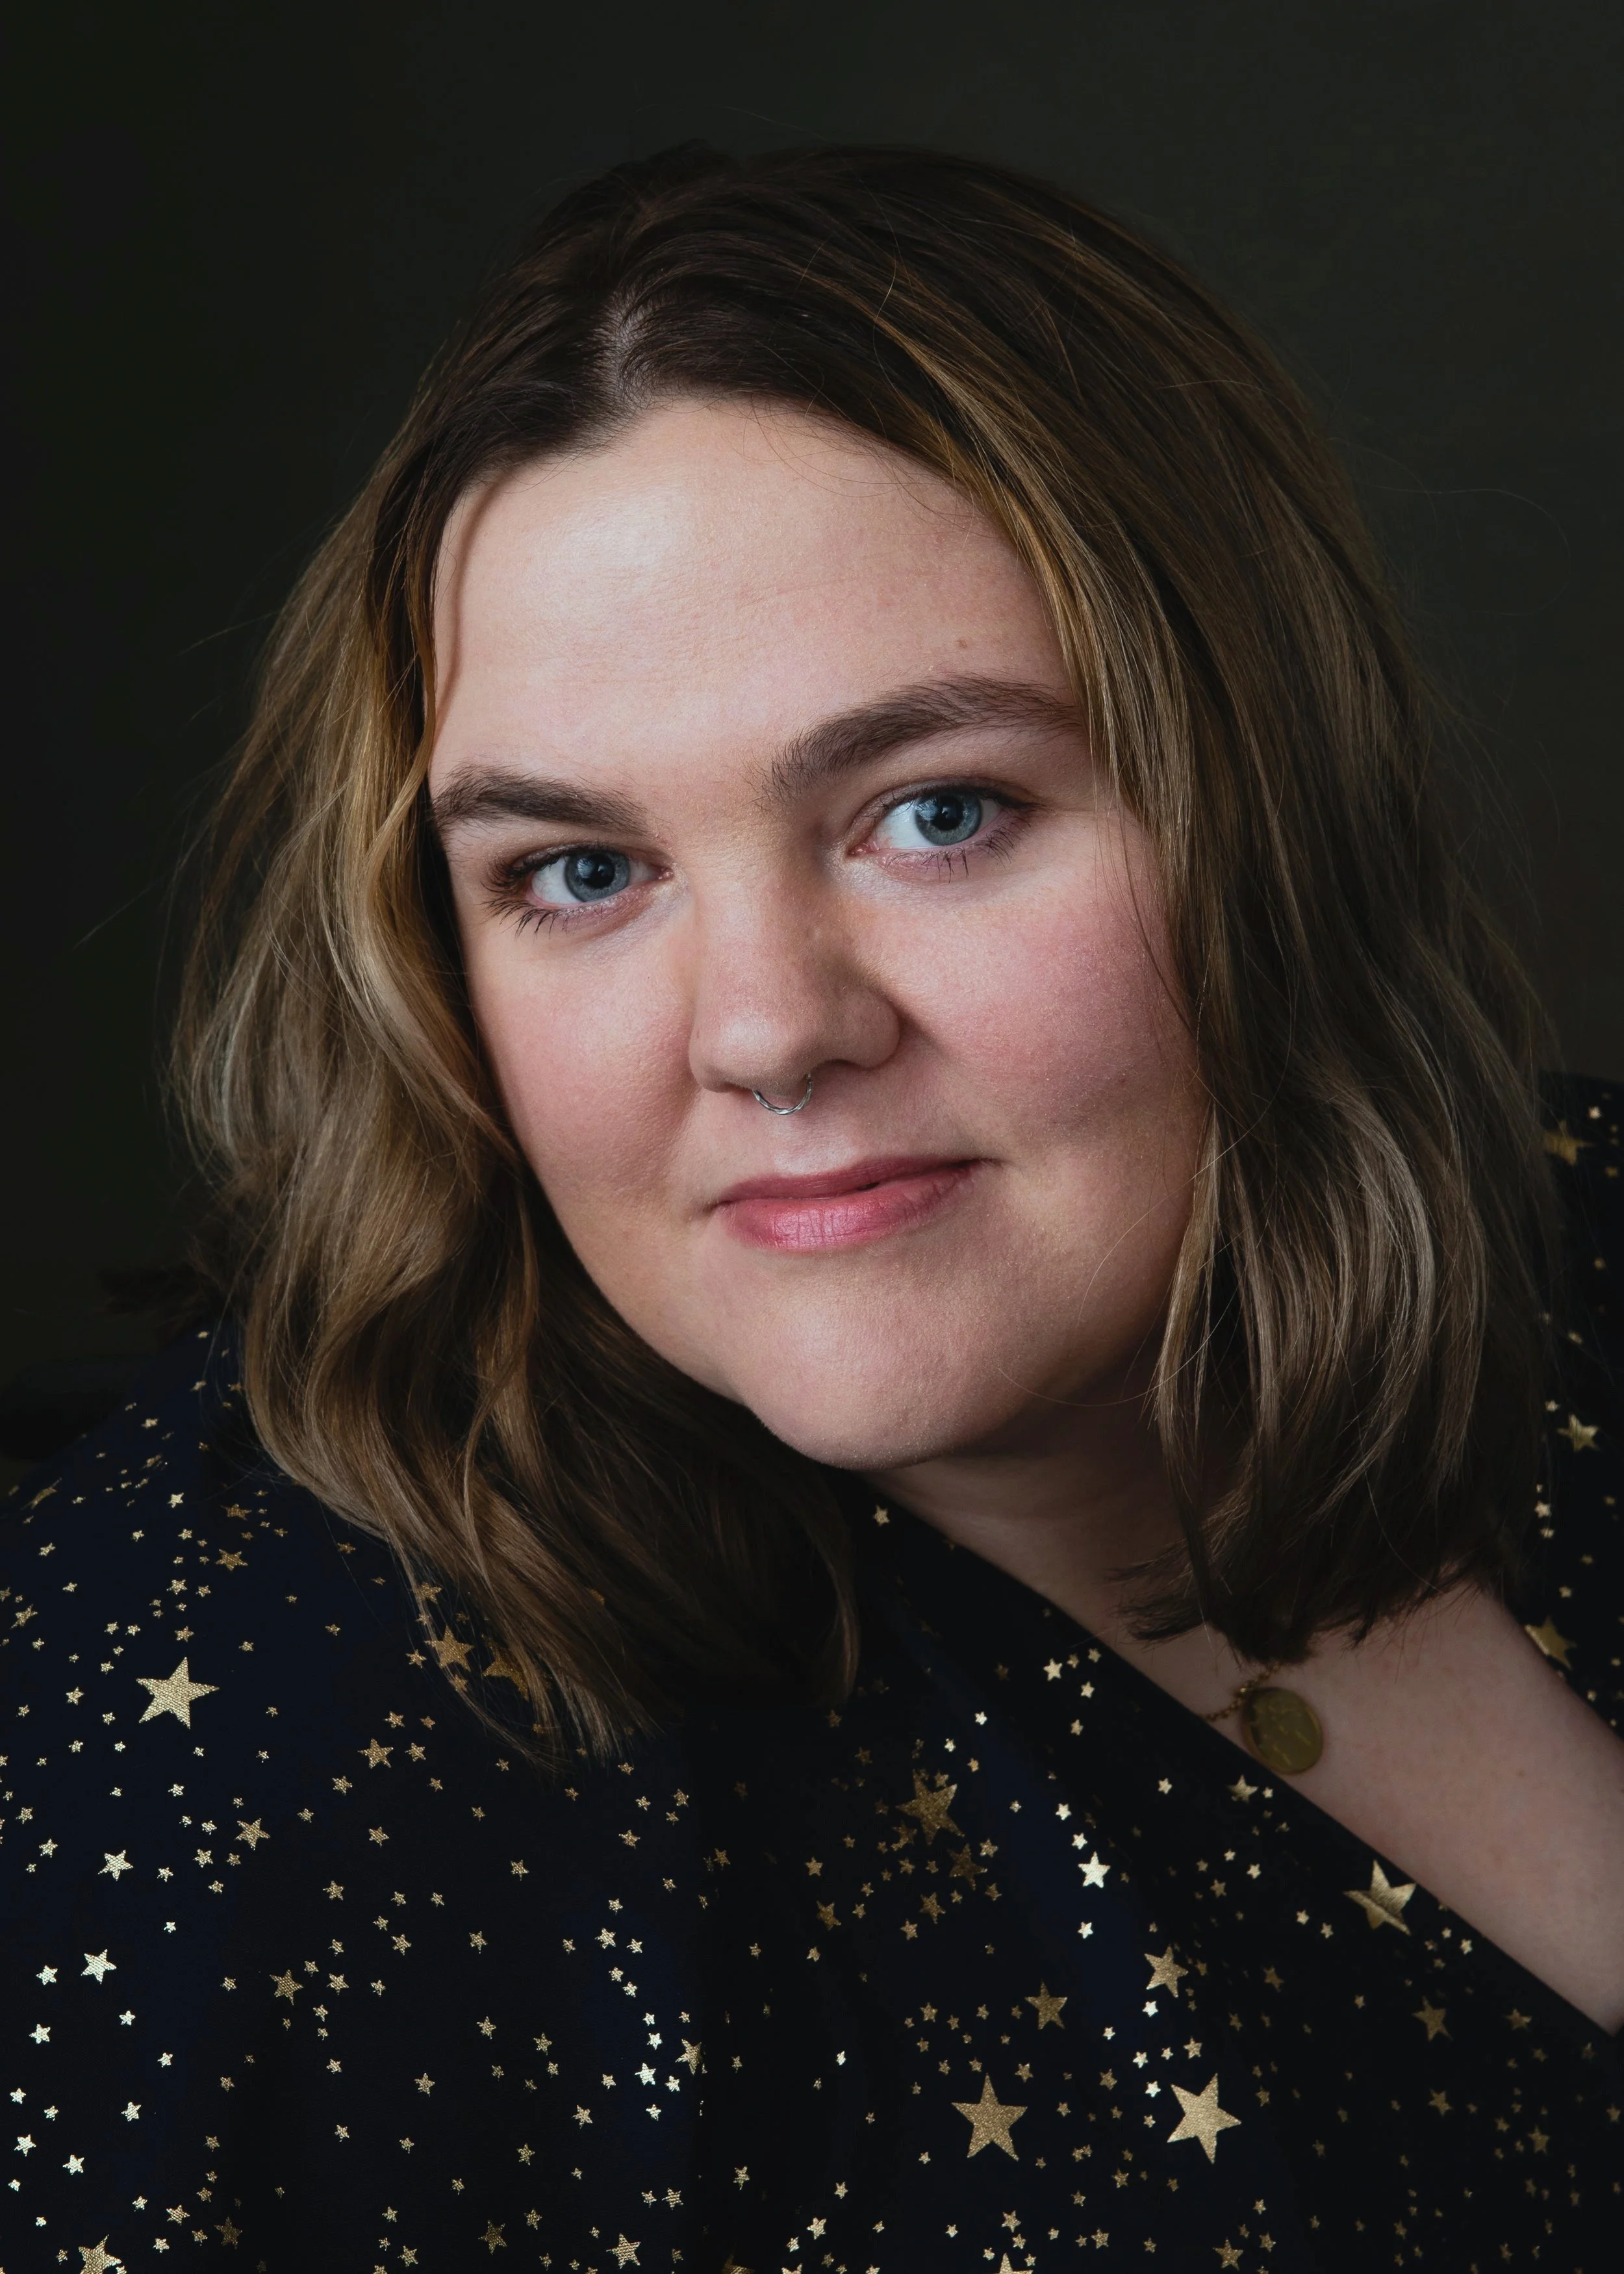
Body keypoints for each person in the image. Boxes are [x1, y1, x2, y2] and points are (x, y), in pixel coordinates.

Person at [3, 144, 1620, 2271]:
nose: (764, 1032)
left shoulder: (1575, 1242)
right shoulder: (212, 1752)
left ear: (1272, 815)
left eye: (933, 814)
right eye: (577, 870)